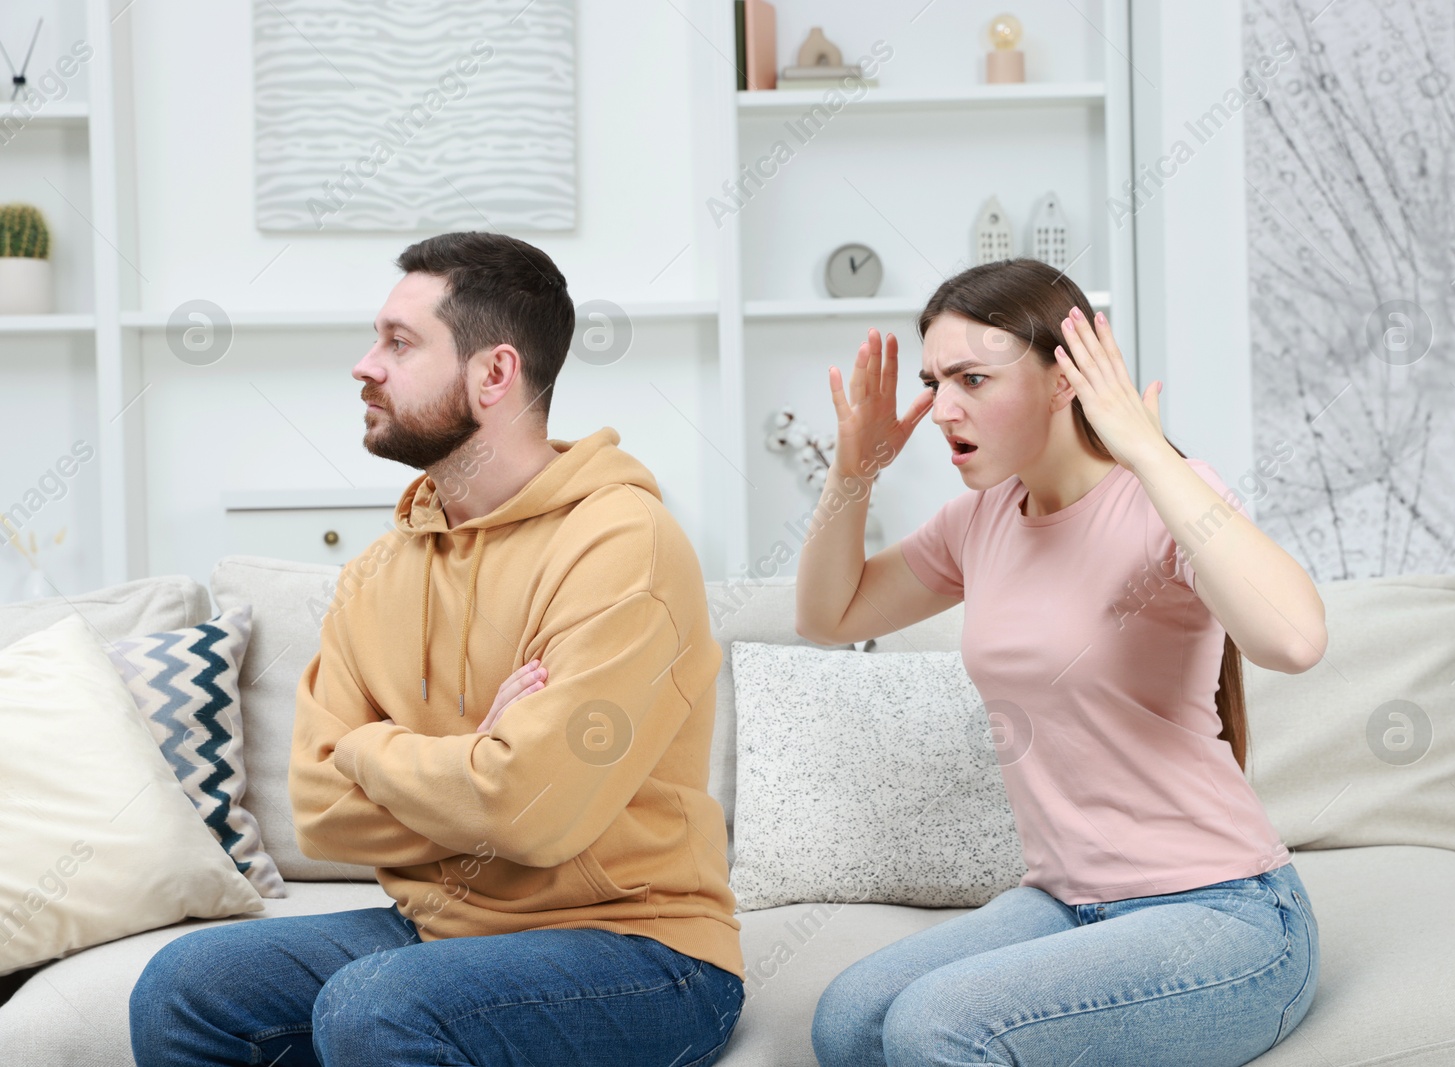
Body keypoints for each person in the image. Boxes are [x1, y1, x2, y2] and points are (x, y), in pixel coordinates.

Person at [129, 231, 745, 1067]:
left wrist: (374, 748)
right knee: (183, 987)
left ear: (494, 374)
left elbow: (531, 811)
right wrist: (475, 761)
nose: (364, 365)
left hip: (641, 950)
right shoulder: (380, 570)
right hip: (439, 931)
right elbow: (318, 805)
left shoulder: (622, 545)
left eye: (398, 342)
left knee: (375, 1005)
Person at [799, 258, 1326, 1067]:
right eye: (938, 380)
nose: (943, 409)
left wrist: (1149, 453)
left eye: (974, 378)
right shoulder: (980, 520)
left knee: (933, 1026)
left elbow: (1294, 639)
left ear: (1063, 380)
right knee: (848, 1021)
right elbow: (828, 616)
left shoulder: (1161, 499)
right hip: (1066, 902)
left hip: (1228, 915)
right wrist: (854, 471)